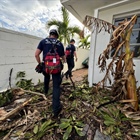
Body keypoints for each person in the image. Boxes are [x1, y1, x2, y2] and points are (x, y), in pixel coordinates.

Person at [35, 29, 66, 118]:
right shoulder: (59, 43)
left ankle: (45, 91)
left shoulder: (43, 41)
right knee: (56, 87)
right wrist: (62, 62)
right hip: (56, 68)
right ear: (56, 36)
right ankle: (56, 109)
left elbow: (36, 54)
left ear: (50, 35)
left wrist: (40, 63)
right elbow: (63, 57)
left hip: (46, 66)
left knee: (46, 77)